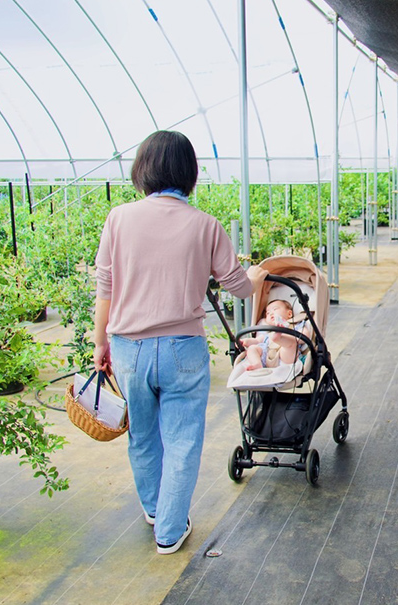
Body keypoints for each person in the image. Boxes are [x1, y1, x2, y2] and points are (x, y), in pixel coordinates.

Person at [92, 130, 265, 555]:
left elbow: (105, 286)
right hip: (182, 349)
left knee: (143, 436)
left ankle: (155, 509)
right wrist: (256, 274)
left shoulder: (119, 218)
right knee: (183, 440)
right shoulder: (205, 226)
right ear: (189, 173)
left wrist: (101, 344)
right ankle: (169, 530)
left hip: (128, 347)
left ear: (142, 169)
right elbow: (239, 287)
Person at [241, 299, 312, 370]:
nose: (271, 313)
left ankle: (279, 338)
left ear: (289, 314)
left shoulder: (295, 326)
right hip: (266, 357)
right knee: (252, 348)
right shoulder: (268, 332)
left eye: (275, 309)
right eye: (268, 313)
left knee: (291, 344)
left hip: (286, 358)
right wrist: (246, 341)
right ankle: (257, 364)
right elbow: (256, 341)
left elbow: (305, 336)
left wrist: (290, 338)